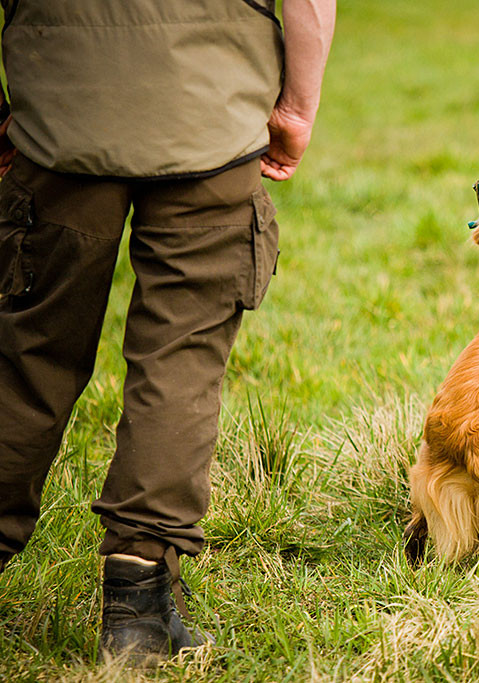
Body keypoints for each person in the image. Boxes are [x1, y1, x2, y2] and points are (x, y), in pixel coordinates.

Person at [0, 0, 335, 662]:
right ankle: (140, 606)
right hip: (212, 113)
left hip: (61, 112)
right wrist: (296, 107)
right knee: (182, 355)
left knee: (28, 355)